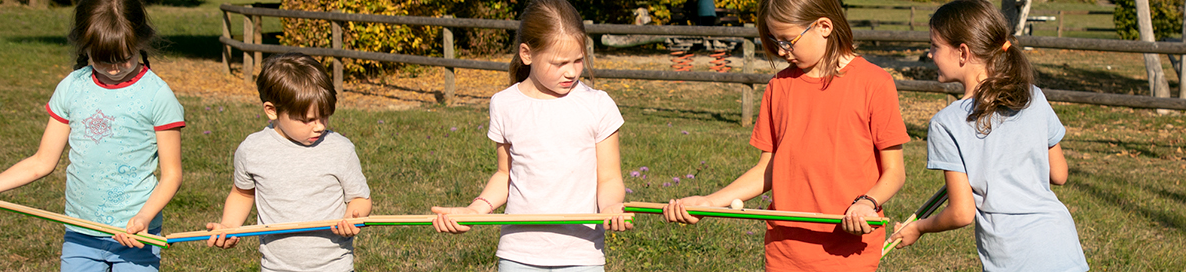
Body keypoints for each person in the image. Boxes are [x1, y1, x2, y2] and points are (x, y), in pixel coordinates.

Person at [0, 0, 183, 270]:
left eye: (124, 57)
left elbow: (172, 175)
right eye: (102, 60)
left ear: (140, 41)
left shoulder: (157, 95)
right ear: (84, 46)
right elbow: (41, 162)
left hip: (137, 236)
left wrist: (143, 218)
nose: (114, 69)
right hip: (80, 232)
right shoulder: (72, 87)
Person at [661, 0, 910, 270]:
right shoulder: (778, 87)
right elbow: (767, 169)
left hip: (850, 250)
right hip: (786, 250)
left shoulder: (875, 83)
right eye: (774, 40)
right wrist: (709, 202)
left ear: (824, 26)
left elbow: (894, 172)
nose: (781, 51)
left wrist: (867, 202)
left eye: (788, 41)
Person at [428, 0, 632, 270]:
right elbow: (505, 174)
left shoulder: (598, 104)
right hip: (518, 252)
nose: (571, 71)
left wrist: (611, 207)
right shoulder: (504, 104)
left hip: (580, 252)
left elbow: (608, 178)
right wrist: (477, 208)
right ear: (527, 54)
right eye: (559, 63)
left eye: (578, 60)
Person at [885, 1, 1089, 271]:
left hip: (1013, 255)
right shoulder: (1034, 96)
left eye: (934, 46)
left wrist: (919, 228)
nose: (930, 54)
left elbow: (961, 213)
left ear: (962, 52)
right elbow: (1059, 174)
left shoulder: (946, 123)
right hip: (1062, 246)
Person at [202, 53, 372, 272]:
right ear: (272, 111)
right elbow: (242, 193)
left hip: (333, 266)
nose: (319, 126)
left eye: (325, 116)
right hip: (276, 267)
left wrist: (353, 216)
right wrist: (229, 226)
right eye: (307, 120)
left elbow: (360, 197)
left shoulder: (340, 149)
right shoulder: (253, 150)